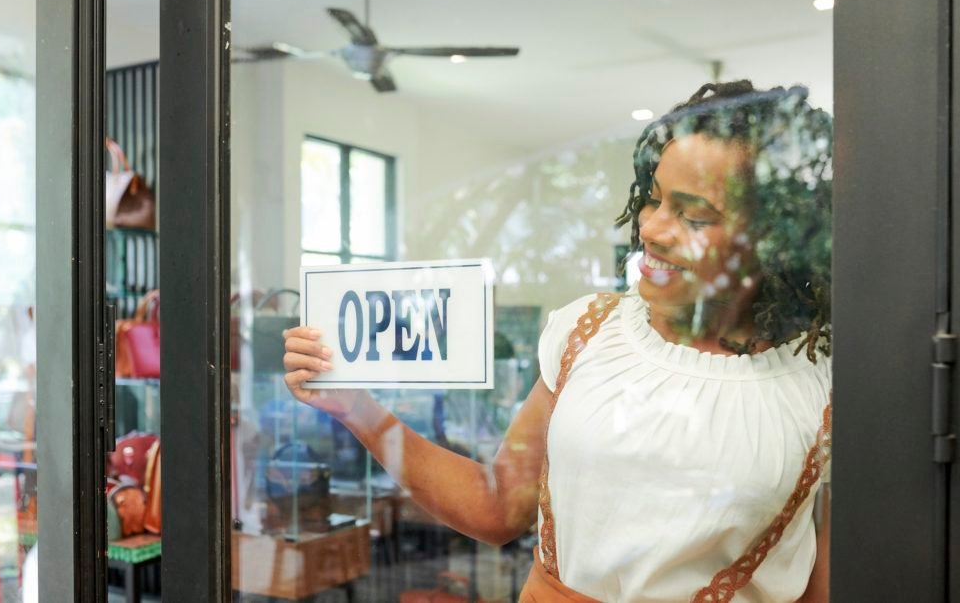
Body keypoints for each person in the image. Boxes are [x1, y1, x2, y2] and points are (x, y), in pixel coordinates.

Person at [282, 81, 833, 602]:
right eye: (655, 199)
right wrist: (357, 409)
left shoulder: (822, 381)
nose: (652, 229)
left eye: (692, 215)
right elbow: (497, 507)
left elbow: (823, 583)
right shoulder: (587, 334)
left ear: (771, 242)